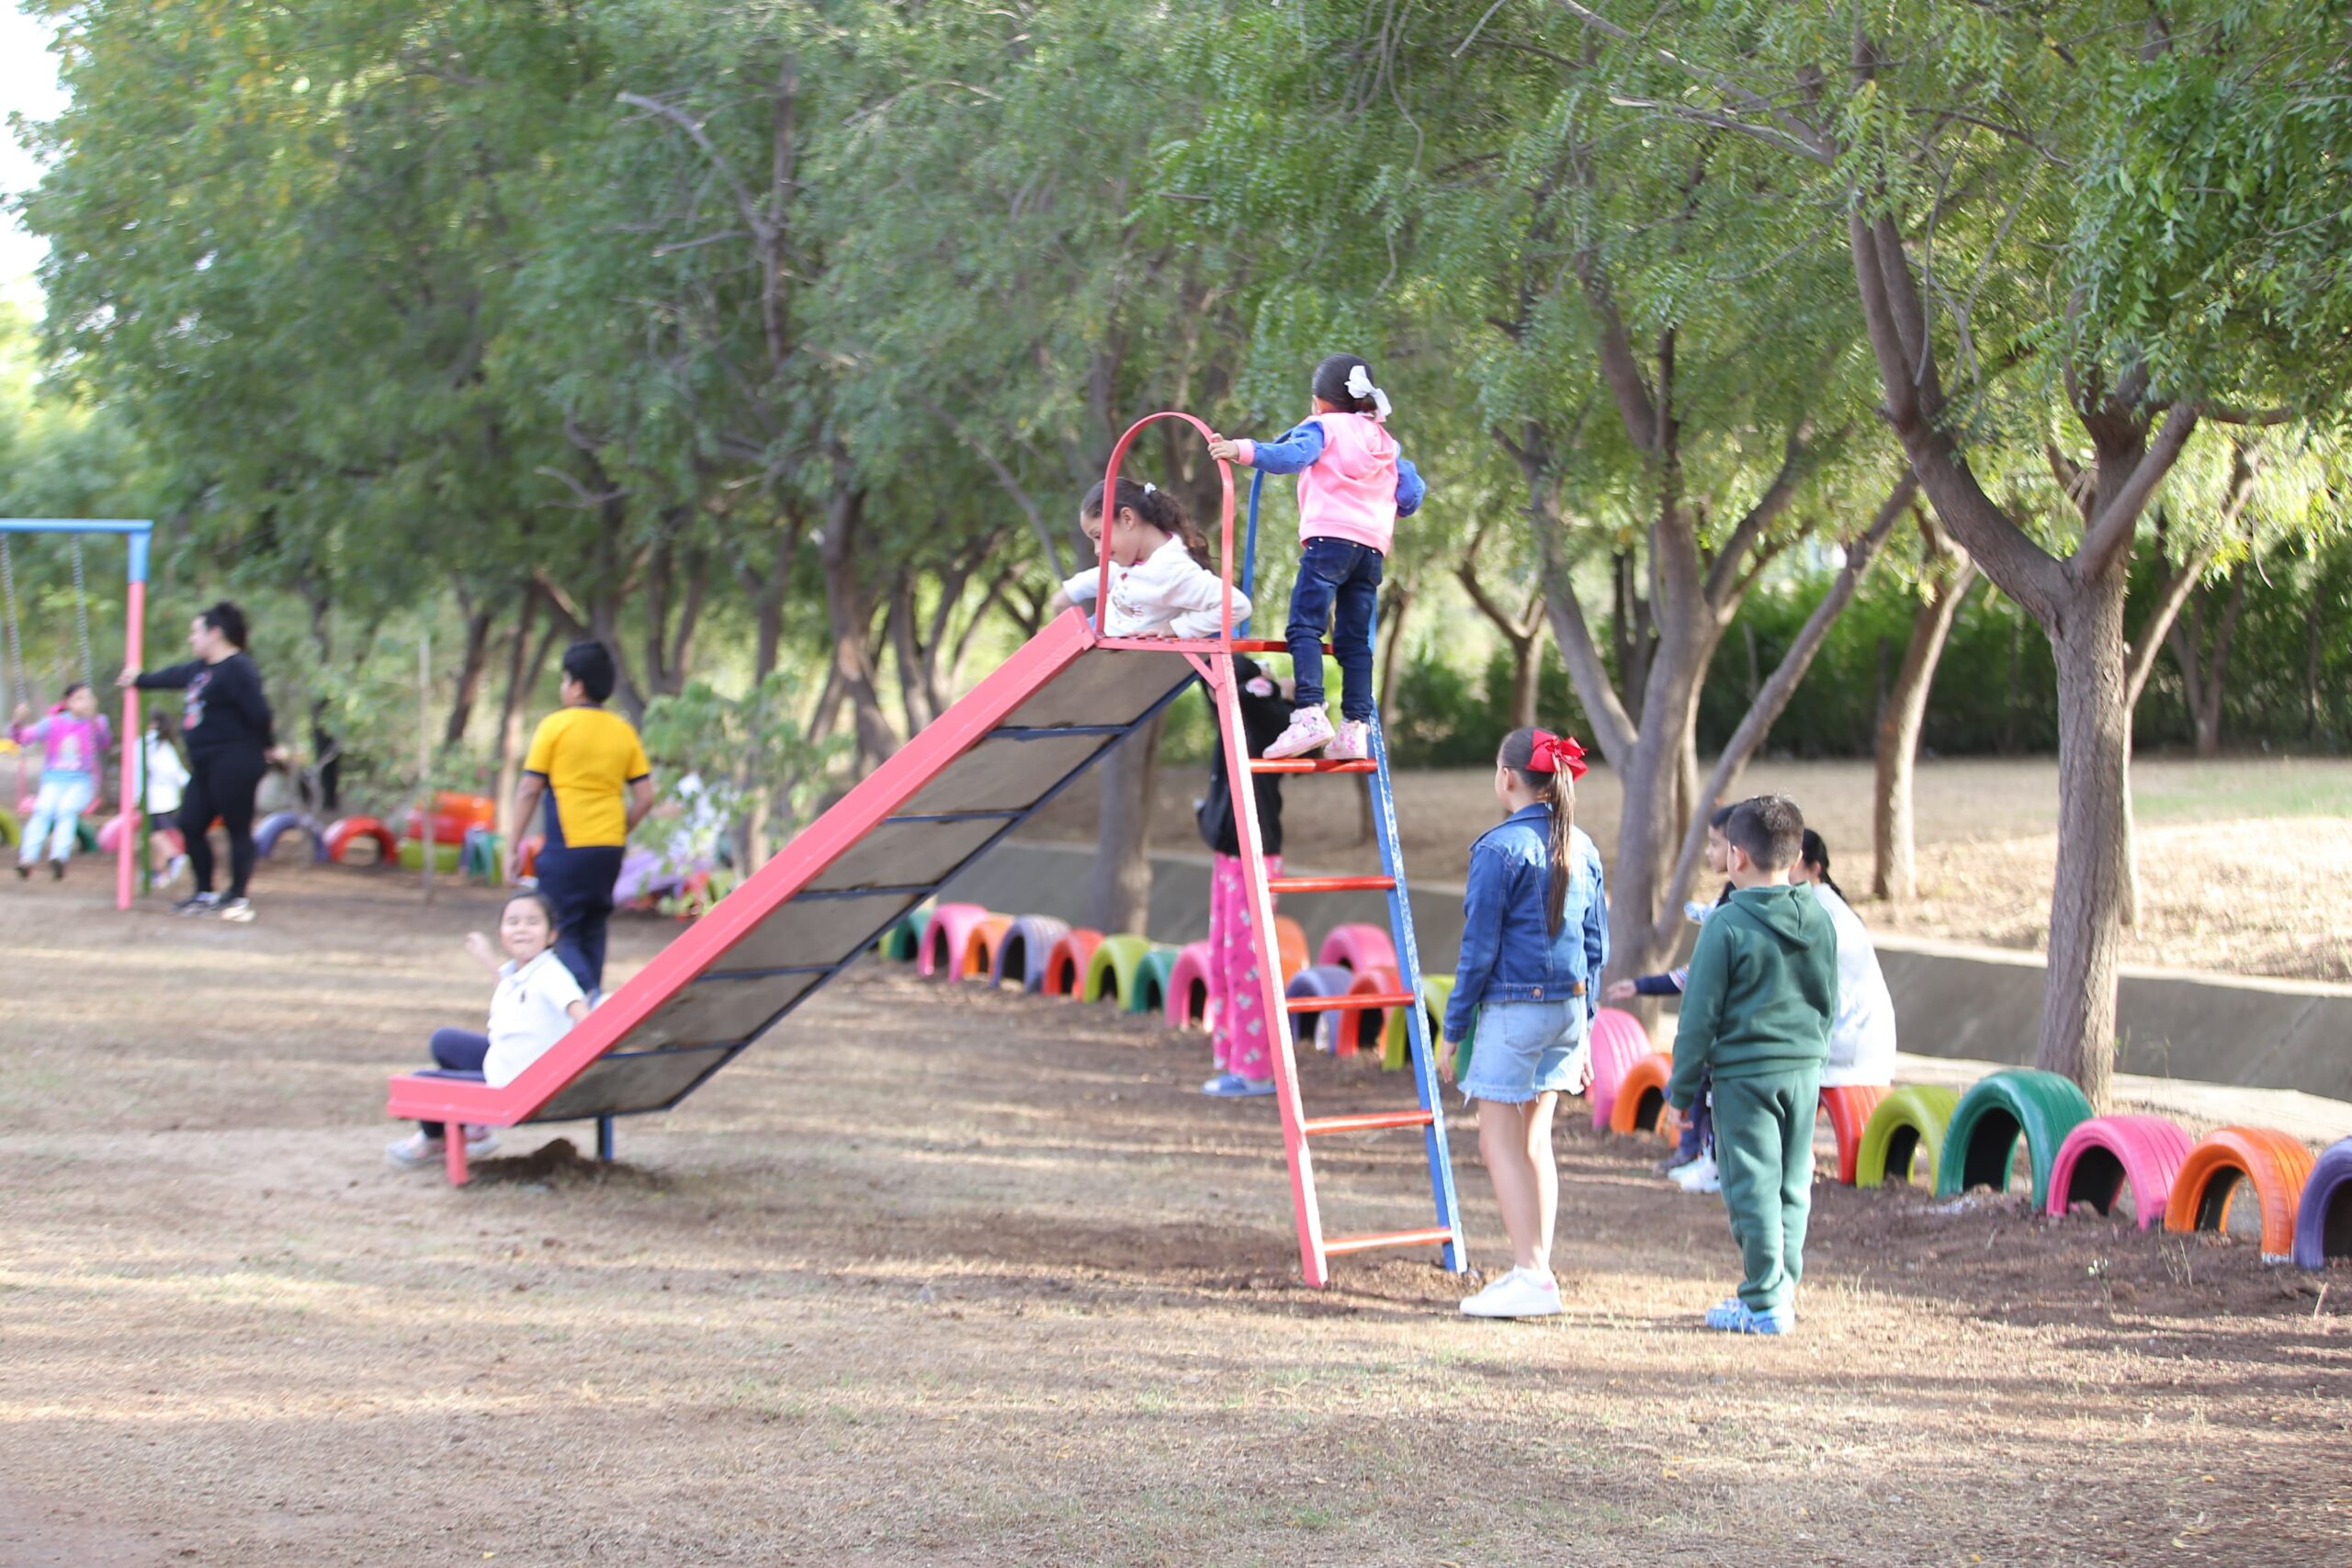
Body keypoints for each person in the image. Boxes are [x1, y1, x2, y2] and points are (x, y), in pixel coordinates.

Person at [1437, 726, 1607, 1320]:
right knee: (1536, 1142)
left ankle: (1531, 1273)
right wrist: (1586, 1025)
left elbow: (1477, 950)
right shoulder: (1581, 845)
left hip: (1515, 1011)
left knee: (1497, 1143)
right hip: (1566, 1008)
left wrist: (1453, 1030)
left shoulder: (1497, 848)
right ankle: (1537, 1268)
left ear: (1507, 777)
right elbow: (1595, 944)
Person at [1666, 795, 1837, 1336]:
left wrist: (1680, 1091)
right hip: (1804, 1069)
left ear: (1738, 856)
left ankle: (1763, 1302)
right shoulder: (1817, 915)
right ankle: (1780, 1290)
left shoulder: (1727, 923)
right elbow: (1828, 997)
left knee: (1750, 1187)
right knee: (1791, 1183)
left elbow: (1698, 1017)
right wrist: (1813, 1052)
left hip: (1745, 1075)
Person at [1207, 354, 1425, 762]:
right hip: (1371, 550)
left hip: (1328, 542)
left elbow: (1292, 456)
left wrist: (1242, 449)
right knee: (1355, 640)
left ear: (1319, 401)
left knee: (1305, 626)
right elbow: (1410, 496)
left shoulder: (1323, 427)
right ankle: (1355, 727)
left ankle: (1308, 713)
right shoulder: (1387, 443)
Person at [386, 889, 591, 1171]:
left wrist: (563, 1070)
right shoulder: (528, 972)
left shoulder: (553, 975)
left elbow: (582, 1016)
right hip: (507, 1063)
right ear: (502, 932)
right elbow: (513, 990)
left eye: (532, 922)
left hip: (517, 1082)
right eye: (513, 922)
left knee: (422, 1082)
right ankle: (477, 1131)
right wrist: (487, 959)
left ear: (551, 935)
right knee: (444, 1041)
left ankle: (434, 1140)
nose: (521, 928)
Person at [1602, 801, 1740, 1190]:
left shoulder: (1735, 908)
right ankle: (1699, 1152)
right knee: (1694, 1062)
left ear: (1738, 850)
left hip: (1734, 1035)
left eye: (1716, 845)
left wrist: (1645, 985)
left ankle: (1708, 1156)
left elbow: (1701, 977)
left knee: (1697, 1061)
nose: (1710, 853)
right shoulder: (1732, 899)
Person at [507, 641, 655, 994]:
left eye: (563, 681)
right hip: (609, 849)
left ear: (576, 687)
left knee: (559, 931)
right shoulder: (623, 730)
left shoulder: (555, 726)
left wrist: (513, 846)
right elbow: (645, 797)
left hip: (568, 849)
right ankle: (586, 1028)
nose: (562, 689)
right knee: (593, 928)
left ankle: (592, 1004)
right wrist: (620, 830)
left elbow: (529, 790)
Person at [121, 602, 277, 921]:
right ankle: (204, 891)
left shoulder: (238, 668)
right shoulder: (200, 670)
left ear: (215, 633)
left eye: (195, 632)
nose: (191, 638)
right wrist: (140, 679)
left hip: (235, 758)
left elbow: (260, 713)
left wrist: (268, 747)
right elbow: (173, 675)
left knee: (236, 827)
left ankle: (237, 897)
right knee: (190, 823)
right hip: (205, 762)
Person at [1195, 655, 1290, 1098]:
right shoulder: (1237, 715)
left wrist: (1269, 683)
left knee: (1246, 966)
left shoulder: (1257, 714)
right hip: (1230, 855)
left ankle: (1255, 1069)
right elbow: (1214, 678)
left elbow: (1228, 669)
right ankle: (1234, 1058)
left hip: (1254, 855)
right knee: (1222, 960)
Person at [1046, 477, 1252, 637]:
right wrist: (1071, 590)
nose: (1098, 550)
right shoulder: (1141, 559)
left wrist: (1177, 627)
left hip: (1114, 650)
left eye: (1099, 536)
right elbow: (1113, 574)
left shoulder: (1172, 570)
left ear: (1127, 518)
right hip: (1099, 631)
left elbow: (1237, 605)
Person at [1797, 829, 1897, 1089]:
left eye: (1790, 862)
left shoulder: (1815, 911)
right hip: (1865, 1042)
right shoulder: (1824, 903)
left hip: (1848, 1045)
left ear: (1814, 869)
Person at [10, 683, 109, 881]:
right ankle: (27, 859)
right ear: (68, 703)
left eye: (89, 697)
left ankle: (59, 857)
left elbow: (104, 741)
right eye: (79, 698)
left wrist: (92, 718)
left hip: (82, 782)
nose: (86, 701)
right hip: (53, 781)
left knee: (66, 809)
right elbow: (23, 738)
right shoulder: (53, 723)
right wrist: (18, 722)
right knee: (43, 810)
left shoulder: (96, 722)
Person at [133, 713, 192, 888]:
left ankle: (174, 856)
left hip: (153, 799)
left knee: (152, 833)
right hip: (169, 798)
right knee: (157, 831)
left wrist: (135, 797)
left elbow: (137, 772)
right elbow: (177, 772)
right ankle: (160, 872)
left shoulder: (143, 744)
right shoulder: (164, 745)